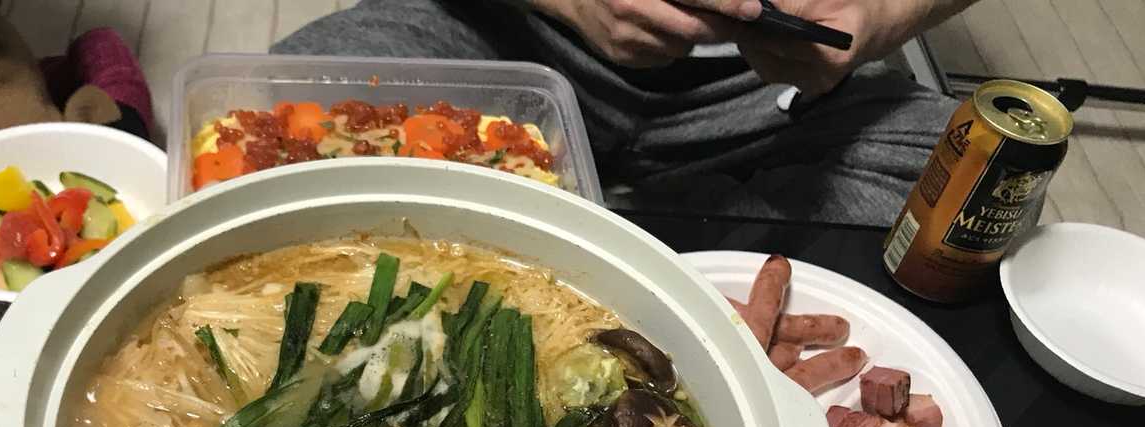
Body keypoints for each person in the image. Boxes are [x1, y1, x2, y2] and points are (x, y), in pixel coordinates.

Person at [274, 0, 979, 224]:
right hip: (508, 31)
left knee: (971, 187)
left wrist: (884, 13)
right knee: (287, 108)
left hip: (772, 80)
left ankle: (612, 222)